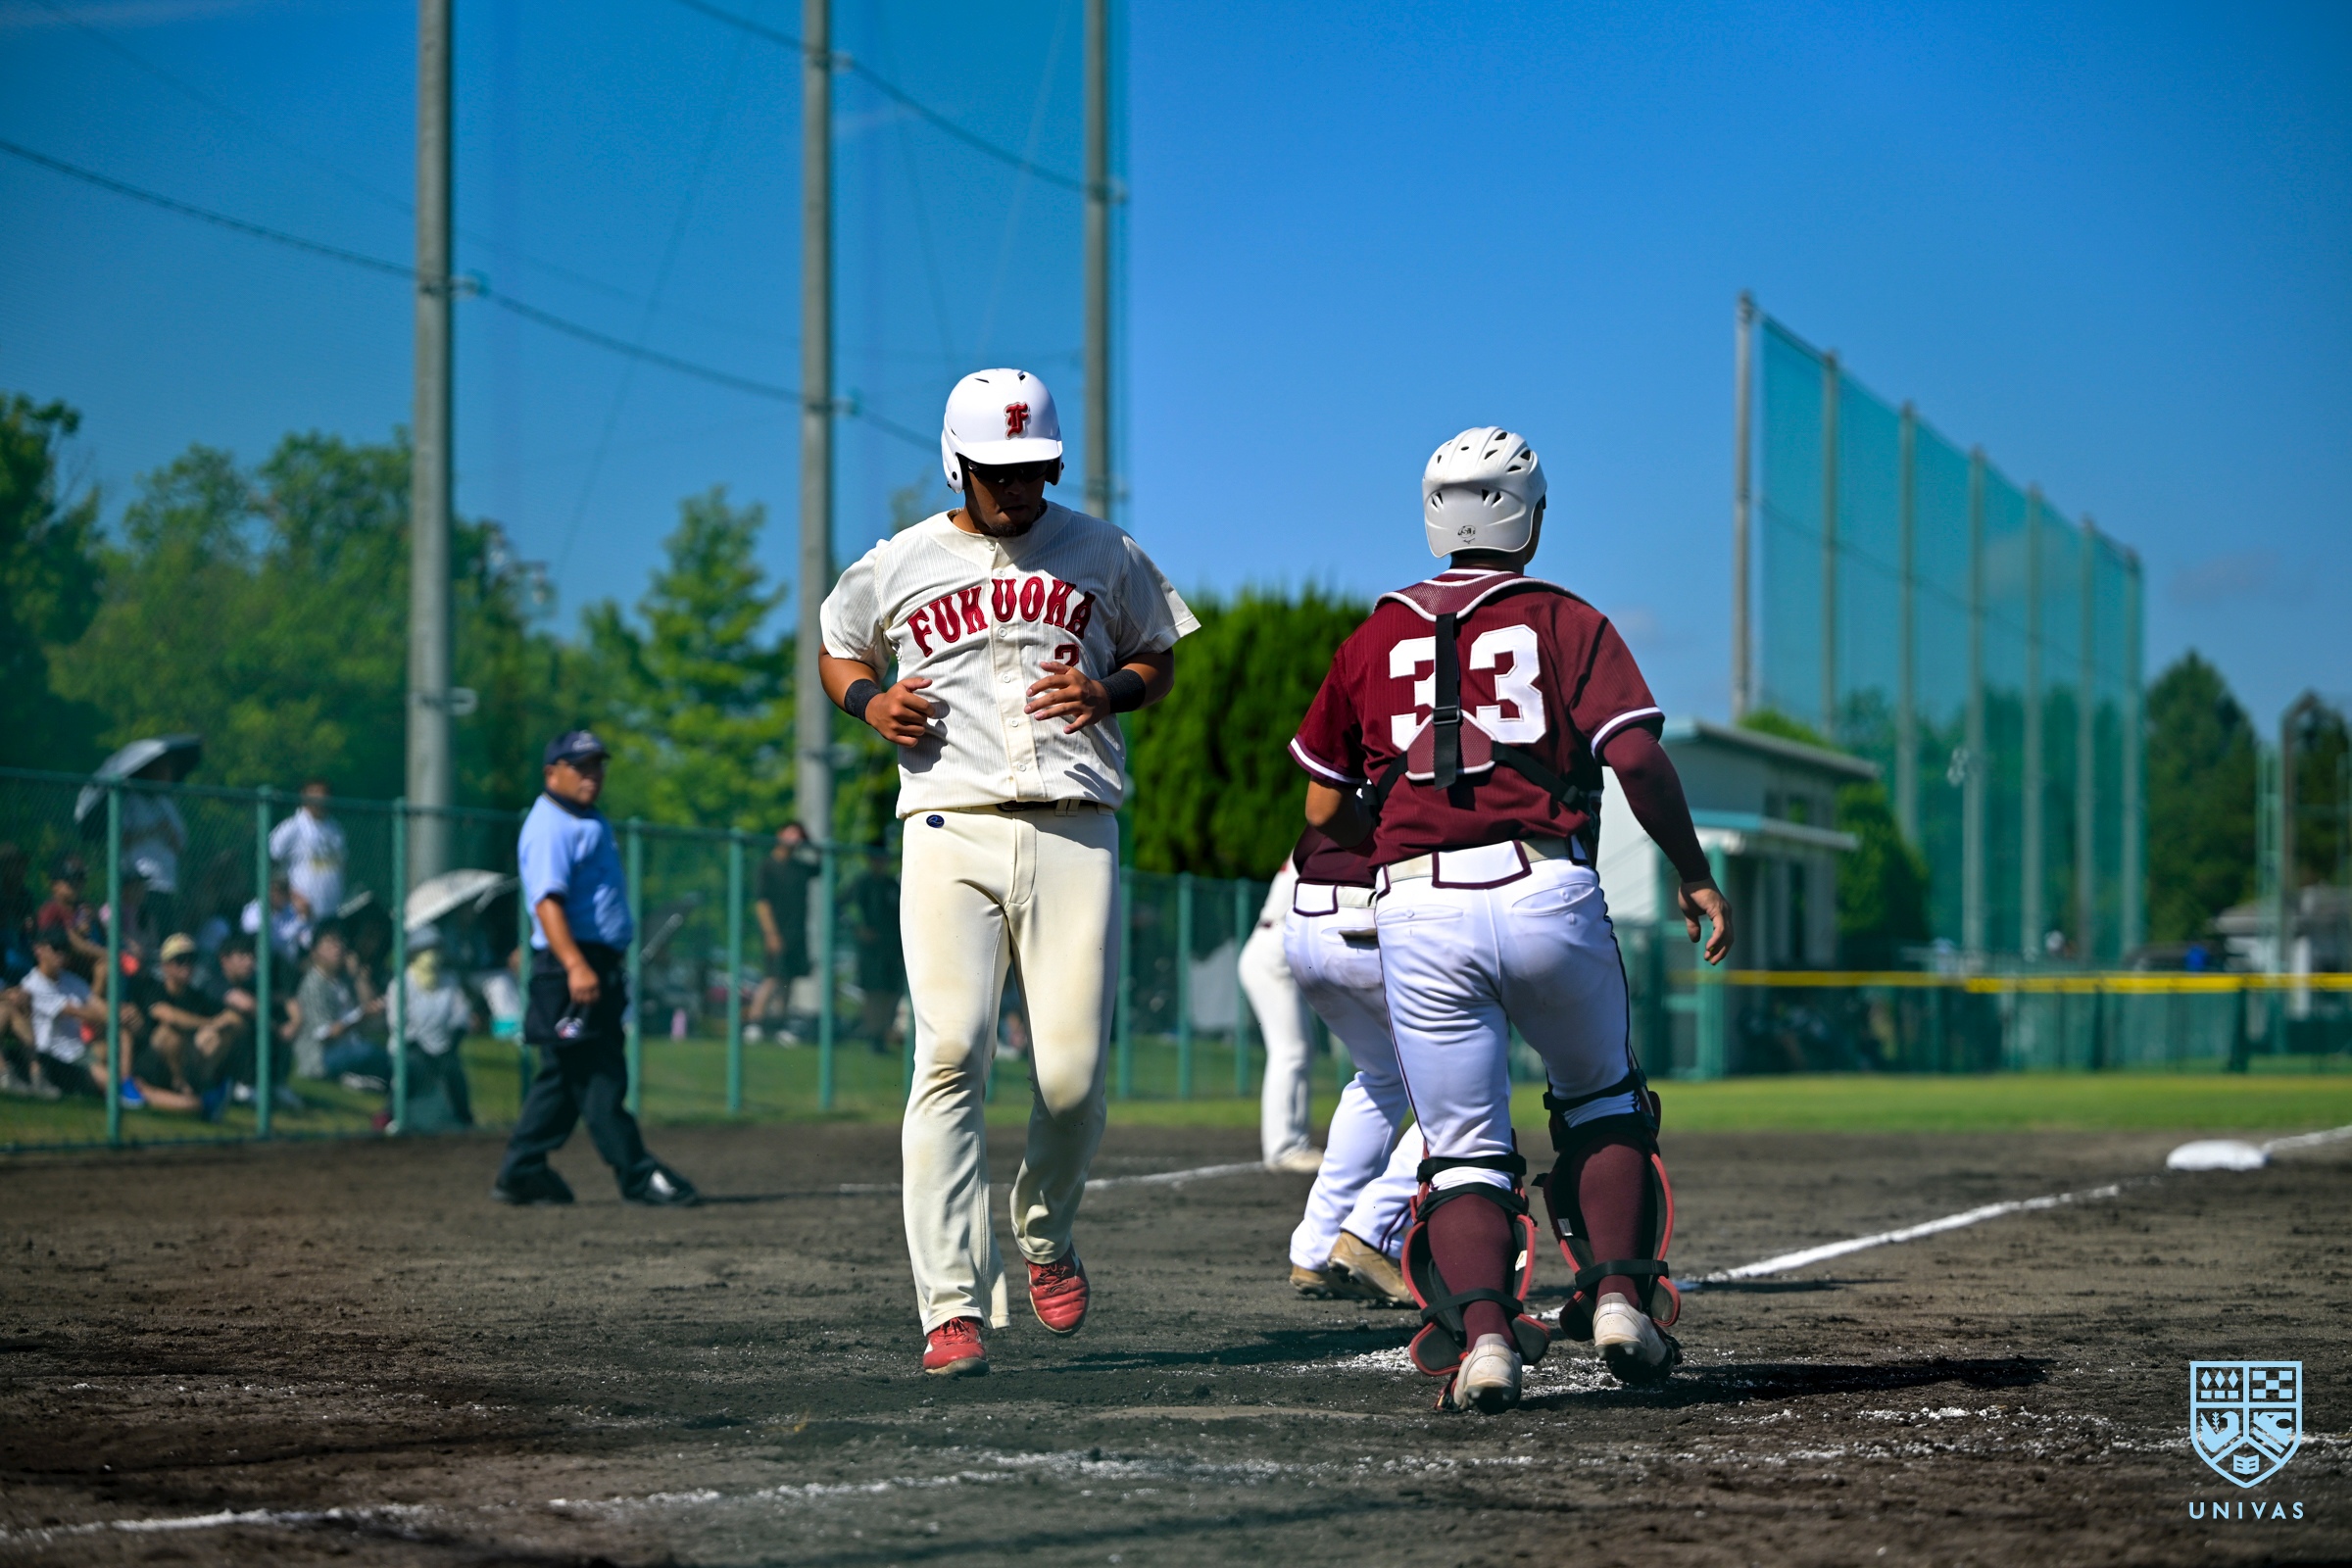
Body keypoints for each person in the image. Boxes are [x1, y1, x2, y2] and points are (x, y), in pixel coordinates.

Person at [1291, 427, 1733, 1413]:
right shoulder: (1567, 618)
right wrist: (1694, 874)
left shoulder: (1372, 636)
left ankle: (1487, 1340)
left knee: (1461, 1149)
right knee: (1604, 1103)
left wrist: (1396, 832)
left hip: (1420, 907)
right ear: (1529, 519)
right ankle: (1620, 1300)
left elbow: (1322, 803)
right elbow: (1636, 758)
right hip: (1545, 889)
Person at [818, 368, 1196, 1376]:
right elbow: (838, 646)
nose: (1020, 487)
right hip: (949, 825)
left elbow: (1158, 654)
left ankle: (1042, 1228)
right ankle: (950, 1305)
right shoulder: (900, 560)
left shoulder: (1105, 550)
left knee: (1072, 1077)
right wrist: (867, 702)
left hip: (1076, 827)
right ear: (958, 465)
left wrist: (1111, 689)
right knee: (950, 1052)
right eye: (999, 472)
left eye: (1035, 469)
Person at [492, 730, 698, 1206]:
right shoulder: (551, 825)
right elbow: (546, 903)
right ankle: (637, 1174)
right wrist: (576, 966)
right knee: (599, 1075)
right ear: (552, 773)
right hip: (573, 966)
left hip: (593, 963)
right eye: (580, 766)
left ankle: (521, 1170)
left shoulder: (585, 818)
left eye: (597, 765)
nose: (593, 775)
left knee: (566, 1078)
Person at [1273, 826, 1420, 1307]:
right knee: (1466, 1093)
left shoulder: (1348, 771)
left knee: (1382, 1078)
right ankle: (1370, 1233)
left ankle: (1315, 1251)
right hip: (1367, 916)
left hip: (1306, 920)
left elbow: (1309, 840)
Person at [1238, 859, 1324, 1173]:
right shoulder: (1329, 839)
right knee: (1291, 1051)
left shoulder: (1323, 837)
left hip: (1276, 944)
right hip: (1275, 949)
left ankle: (1293, 1142)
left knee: (1300, 1050)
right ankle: (1284, 1147)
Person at [0, 927, 110, 1100]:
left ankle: (127, 1091)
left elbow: (97, 1005)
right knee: (6, 1010)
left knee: (117, 1040)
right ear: (39, 950)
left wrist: (119, 1013)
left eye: (64, 949)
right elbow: (77, 1012)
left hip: (79, 1051)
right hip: (55, 1058)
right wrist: (114, 1016)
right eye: (56, 948)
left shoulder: (70, 979)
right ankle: (9, 1074)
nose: (61, 954)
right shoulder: (33, 985)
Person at [396, 925, 476, 1132]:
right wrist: (422, 1049)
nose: (431, 955)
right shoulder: (401, 984)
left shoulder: (450, 981)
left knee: (453, 1071)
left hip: (444, 1048)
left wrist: (451, 1047)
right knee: (413, 1068)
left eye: (435, 949)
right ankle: (393, 1116)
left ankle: (465, 1121)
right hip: (411, 1049)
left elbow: (461, 1017)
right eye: (424, 950)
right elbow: (399, 1024)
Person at [293, 924, 391, 1089]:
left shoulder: (343, 980)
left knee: (388, 1055)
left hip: (351, 1045)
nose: (337, 948)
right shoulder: (313, 985)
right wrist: (360, 1015)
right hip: (320, 1056)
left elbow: (369, 1007)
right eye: (330, 944)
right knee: (369, 1052)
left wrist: (359, 976)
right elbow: (324, 1033)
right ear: (315, 953)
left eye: (339, 942)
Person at [749, 822, 815, 1041]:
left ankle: (780, 1024)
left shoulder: (799, 867)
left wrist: (810, 844)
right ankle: (755, 1023)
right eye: (791, 833)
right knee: (772, 977)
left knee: (789, 980)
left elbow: (821, 867)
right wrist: (771, 933)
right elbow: (762, 902)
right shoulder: (767, 866)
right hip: (776, 931)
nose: (794, 838)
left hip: (796, 931)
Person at [270, 780, 348, 932]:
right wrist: (292, 896)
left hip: (332, 911)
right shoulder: (291, 827)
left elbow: (343, 864)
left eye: (324, 793)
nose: (320, 797)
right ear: (303, 796)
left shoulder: (335, 828)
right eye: (314, 792)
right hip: (300, 914)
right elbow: (269, 860)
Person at [849, 847, 905, 1054]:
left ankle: (882, 1032)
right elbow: (840, 906)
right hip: (871, 950)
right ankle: (873, 1035)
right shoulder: (863, 884)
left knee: (892, 991)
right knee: (874, 992)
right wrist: (858, 928)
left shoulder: (892, 885)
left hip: (893, 947)